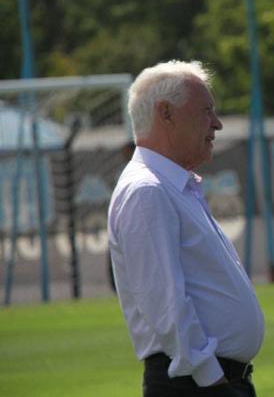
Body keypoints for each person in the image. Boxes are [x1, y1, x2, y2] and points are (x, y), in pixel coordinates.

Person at [108, 60, 263, 397]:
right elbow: (164, 302)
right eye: (206, 111)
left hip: (207, 380)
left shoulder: (171, 185)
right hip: (195, 383)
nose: (217, 124)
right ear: (165, 113)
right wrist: (213, 380)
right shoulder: (147, 191)